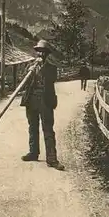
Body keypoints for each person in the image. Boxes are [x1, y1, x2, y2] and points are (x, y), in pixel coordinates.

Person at [20, 39, 65, 171]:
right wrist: (30, 70)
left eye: (43, 52)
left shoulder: (51, 68)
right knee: (32, 127)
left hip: (45, 101)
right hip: (31, 100)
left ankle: (52, 159)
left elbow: (51, 79)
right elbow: (22, 80)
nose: (40, 54)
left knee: (48, 129)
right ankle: (33, 153)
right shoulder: (30, 66)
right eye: (38, 51)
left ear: (47, 54)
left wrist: (41, 67)